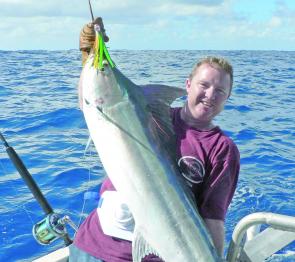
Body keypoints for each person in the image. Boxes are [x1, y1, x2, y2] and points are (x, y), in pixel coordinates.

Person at [70, 20, 240, 262]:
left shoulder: (222, 149)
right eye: (204, 84)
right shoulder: (148, 115)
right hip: (91, 245)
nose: (210, 95)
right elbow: (92, 102)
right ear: (188, 85)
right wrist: (88, 56)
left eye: (220, 91)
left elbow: (213, 218)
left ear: (227, 98)